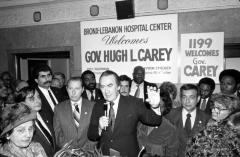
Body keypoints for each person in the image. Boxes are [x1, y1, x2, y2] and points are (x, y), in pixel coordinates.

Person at [87, 70, 162, 157]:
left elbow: (155, 121)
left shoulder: (134, 103)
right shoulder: (98, 105)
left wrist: (155, 106)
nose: (106, 91)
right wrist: (99, 128)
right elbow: (91, 135)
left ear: (118, 87)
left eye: (110, 86)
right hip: (104, 154)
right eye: (102, 87)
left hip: (128, 154)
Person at [165, 84, 210, 157]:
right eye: (184, 97)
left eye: (191, 97)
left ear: (198, 99)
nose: (187, 101)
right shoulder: (170, 115)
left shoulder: (206, 118)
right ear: (180, 98)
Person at [53, 77, 95, 149]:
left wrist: (85, 150)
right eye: (70, 88)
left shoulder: (92, 106)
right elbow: (58, 133)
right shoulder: (59, 108)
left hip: (88, 152)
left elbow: (95, 131)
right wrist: (70, 150)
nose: (73, 92)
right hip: (67, 152)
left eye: (77, 88)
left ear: (82, 89)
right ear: (66, 89)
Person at [15, 86, 56, 157]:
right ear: (22, 103)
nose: (38, 101)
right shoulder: (21, 124)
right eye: (31, 99)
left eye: (38, 97)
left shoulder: (45, 114)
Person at [138, 90, 179, 157]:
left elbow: (172, 154)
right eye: (153, 105)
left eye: (159, 107)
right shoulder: (139, 123)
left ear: (165, 108)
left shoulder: (170, 130)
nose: (155, 110)